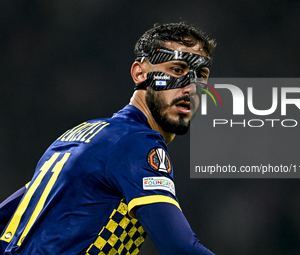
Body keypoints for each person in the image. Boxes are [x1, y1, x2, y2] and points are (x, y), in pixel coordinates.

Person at [0, 22, 216, 254]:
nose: (191, 88)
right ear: (139, 73)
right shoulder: (136, 143)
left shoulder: (78, 136)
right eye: (177, 70)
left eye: (200, 76)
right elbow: (180, 247)